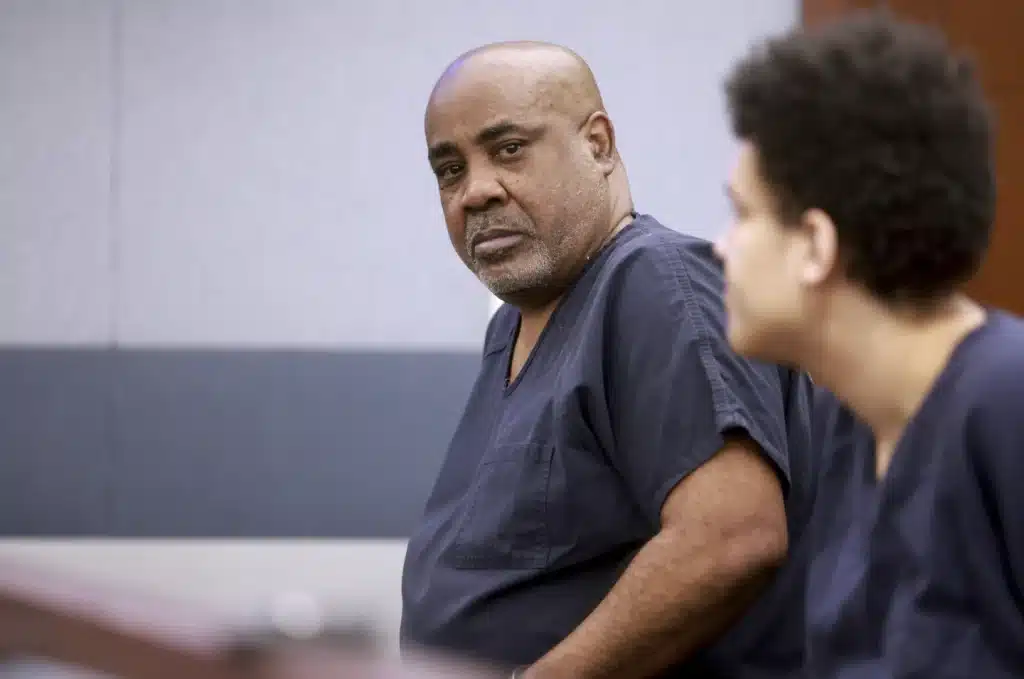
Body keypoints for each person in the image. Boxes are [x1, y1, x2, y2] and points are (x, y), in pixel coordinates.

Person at [401, 41, 825, 679]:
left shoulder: (654, 282)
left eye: (509, 149)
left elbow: (730, 538)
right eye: (449, 170)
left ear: (598, 144)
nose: (476, 192)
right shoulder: (515, 330)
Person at [716, 11, 1024, 678]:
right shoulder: (846, 421)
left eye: (742, 215)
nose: (721, 248)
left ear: (817, 246)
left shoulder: (1006, 400)